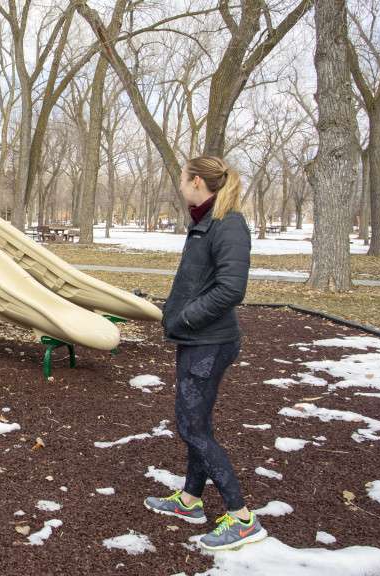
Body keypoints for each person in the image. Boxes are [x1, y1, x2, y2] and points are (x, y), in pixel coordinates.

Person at [143, 156, 265, 552]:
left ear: (197, 181)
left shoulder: (228, 224)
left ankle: (241, 518)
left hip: (209, 342)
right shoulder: (206, 220)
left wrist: (186, 317)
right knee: (197, 422)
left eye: (183, 179)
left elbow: (231, 289)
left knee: (191, 426)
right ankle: (191, 500)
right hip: (198, 340)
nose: (180, 185)